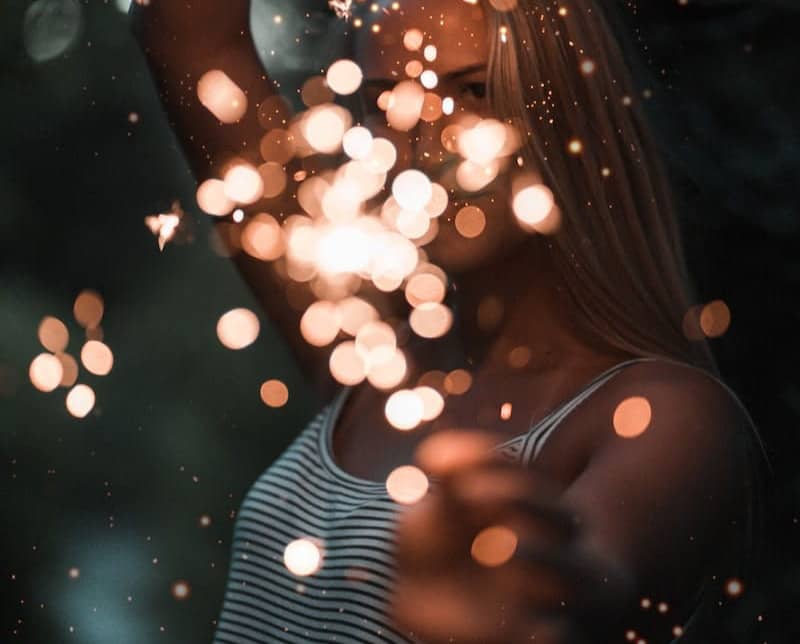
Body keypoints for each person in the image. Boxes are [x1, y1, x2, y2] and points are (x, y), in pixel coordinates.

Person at [130, 0, 770, 641]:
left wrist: (515, 604)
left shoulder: (664, 414)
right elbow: (181, 26)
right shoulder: (369, 349)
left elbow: (593, 583)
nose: (423, 140)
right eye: (385, 102)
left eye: (474, 91)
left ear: (570, 108)